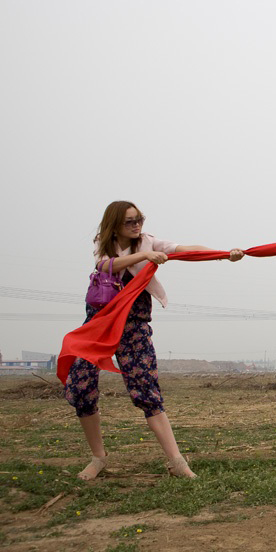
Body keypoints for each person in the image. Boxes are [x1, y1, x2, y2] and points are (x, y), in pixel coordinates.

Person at [65, 201, 244, 480]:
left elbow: (185, 249)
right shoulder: (107, 244)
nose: (137, 225)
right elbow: (105, 265)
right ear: (115, 225)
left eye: (140, 219)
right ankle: (99, 458)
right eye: (129, 221)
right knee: (81, 387)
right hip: (99, 325)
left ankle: (177, 462)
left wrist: (224, 253)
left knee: (146, 391)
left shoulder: (149, 242)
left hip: (134, 327)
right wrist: (145, 258)